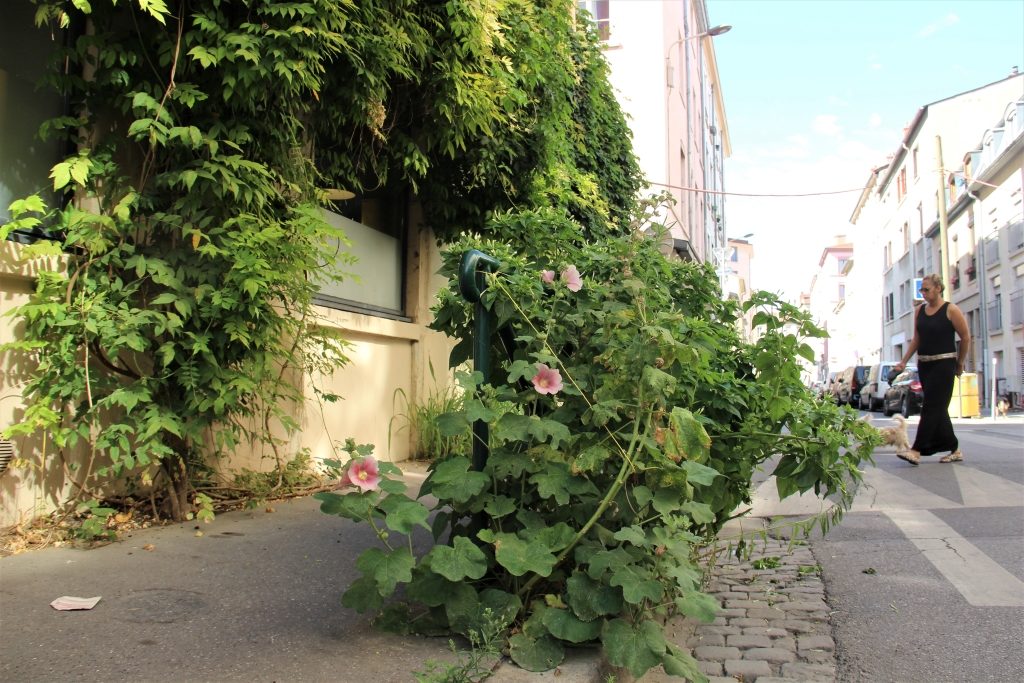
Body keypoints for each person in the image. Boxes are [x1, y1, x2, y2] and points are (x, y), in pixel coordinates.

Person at [892, 274, 971, 465]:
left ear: (938, 288)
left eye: (926, 289)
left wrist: (960, 363)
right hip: (925, 365)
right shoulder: (920, 311)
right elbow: (917, 339)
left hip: (944, 364)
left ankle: (916, 450)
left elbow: (965, 337)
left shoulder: (951, 310)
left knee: (930, 406)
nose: (923, 293)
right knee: (938, 409)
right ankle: (955, 448)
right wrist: (903, 361)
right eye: (922, 290)